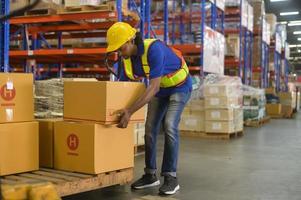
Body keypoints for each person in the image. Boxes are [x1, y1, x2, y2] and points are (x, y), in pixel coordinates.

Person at [106, 22, 192, 195]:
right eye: (116, 50)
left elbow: (153, 88)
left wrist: (129, 111)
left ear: (131, 41)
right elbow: (121, 87)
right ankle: (150, 175)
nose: (119, 54)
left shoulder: (154, 50)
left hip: (179, 87)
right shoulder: (127, 60)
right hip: (161, 90)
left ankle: (171, 177)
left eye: (121, 48)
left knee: (169, 126)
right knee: (149, 129)